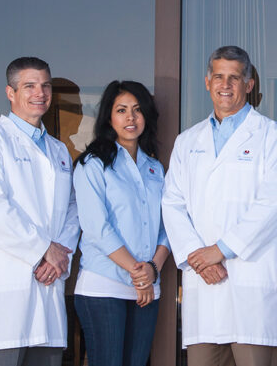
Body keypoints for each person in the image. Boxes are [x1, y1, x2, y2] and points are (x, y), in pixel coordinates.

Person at [162, 45, 277, 366]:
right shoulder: (188, 141)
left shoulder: (272, 136)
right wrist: (200, 259)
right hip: (203, 282)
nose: (225, 85)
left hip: (250, 280)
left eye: (234, 78)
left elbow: (273, 206)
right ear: (207, 82)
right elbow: (172, 204)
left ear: (249, 85)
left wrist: (219, 250)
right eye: (218, 77)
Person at [0, 56, 80, 366]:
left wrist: (59, 255)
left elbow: (72, 208)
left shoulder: (58, 151)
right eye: (29, 86)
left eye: (45, 86)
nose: (39, 93)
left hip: (48, 283)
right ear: (10, 93)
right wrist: (43, 249)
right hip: (9, 289)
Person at [73, 80, 171, 366]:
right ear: (108, 117)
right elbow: (96, 227)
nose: (130, 118)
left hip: (147, 286)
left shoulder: (155, 168)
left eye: (137, 110)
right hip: (104, 285)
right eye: (121, 110)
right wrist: (138, 273)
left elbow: (167, 228)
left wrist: (152, 269)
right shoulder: (92, 164)